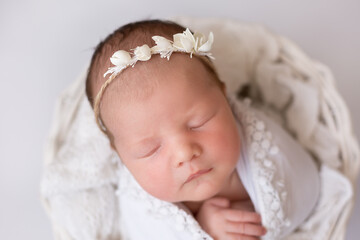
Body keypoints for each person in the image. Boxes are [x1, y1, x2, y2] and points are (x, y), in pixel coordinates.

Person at [76, 19, 320, 240]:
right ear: (120, 154)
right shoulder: (143, 205)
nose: (185, 153)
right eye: (150, 149)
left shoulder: (260, 148)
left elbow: (303, 186)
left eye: (199, 122)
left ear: (224, 98)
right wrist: (204, 230)